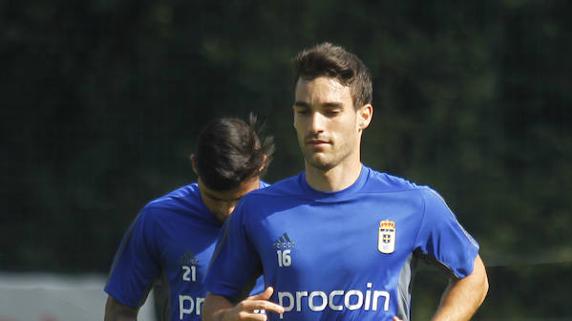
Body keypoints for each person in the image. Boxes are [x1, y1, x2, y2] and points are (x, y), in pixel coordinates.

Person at [203, 43, 489, 321]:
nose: (315, 125)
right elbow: (215, 300)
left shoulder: (414, 203)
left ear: (363, 116)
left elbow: (474, 278)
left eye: (331, 111)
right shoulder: (256, 210)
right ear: (294, 117)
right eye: (304, 112)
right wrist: (226, 317)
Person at [104, 115, 274, 321]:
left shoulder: (284, 217)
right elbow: (121, 309)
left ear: (261, 165)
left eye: (239, 199)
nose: (227, 211)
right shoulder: (159, 219)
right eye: (214, 198)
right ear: (195, 165)